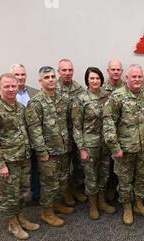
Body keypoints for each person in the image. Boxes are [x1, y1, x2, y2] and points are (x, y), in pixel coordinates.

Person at [0, 73, 40, 240]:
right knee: (9, 195)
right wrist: (0, 164)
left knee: (23, 192)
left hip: (23, 158)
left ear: (18, 87)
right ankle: (13, 224)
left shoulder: (20, 108)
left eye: (13, 86)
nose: (10, 89)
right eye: (6, 86)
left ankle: (21, 217)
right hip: (8, 161)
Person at [103, 64, 144, 225]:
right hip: (124, 149)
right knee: (124, 180)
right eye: (134, 77)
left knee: (142, 178)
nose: (137, 79)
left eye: (140, 77)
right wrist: (114, 147)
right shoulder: (117, 97)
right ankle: (127, 207)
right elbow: (108, 122)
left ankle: (138, 204)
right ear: (127, 78)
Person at [25, 66, 73, 227]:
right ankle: (46, 213)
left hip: (64, 148)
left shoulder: (63, 98)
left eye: (53, 76)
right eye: (47, 77)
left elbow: (68, 123)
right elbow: (34, 129)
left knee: (62, 180)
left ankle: (57, 204)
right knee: (49, 183)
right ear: (40, 81)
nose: (51, 79)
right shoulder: (36, 102)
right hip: (48, 152)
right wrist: (42, 151)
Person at [72, 67, 115, 220]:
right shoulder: (81, 99)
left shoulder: (107, 96)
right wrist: (81, 148)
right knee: (91, 176)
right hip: (89, 144)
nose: (95, 81)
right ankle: (93, 205)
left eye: (97, 78)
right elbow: (76, 126)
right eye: (92, 78)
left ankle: (102, 201)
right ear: (87, 80)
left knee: (104, 173)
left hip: (105, 143)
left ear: (101, 80)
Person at [56, 58, 87, 205]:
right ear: (59, 72)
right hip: (59, 135)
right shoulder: (52, 87)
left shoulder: (79, 89)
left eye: (70, 70)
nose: (67, 73)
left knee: (79, 164)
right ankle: (66, 192)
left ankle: (75, 188)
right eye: (64, 70)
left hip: (76, 132)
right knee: (63, 166)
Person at [102, 59, 125, 201]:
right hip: (107, 132)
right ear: (108, 71)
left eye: (118, 69)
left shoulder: (127, 86)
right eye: (113, 69)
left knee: (122, 164)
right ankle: (110, 188)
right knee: (108, 165)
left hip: (124, 133)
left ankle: (120, 190)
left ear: (122, 72)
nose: (116, 72)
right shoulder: (102, 88)